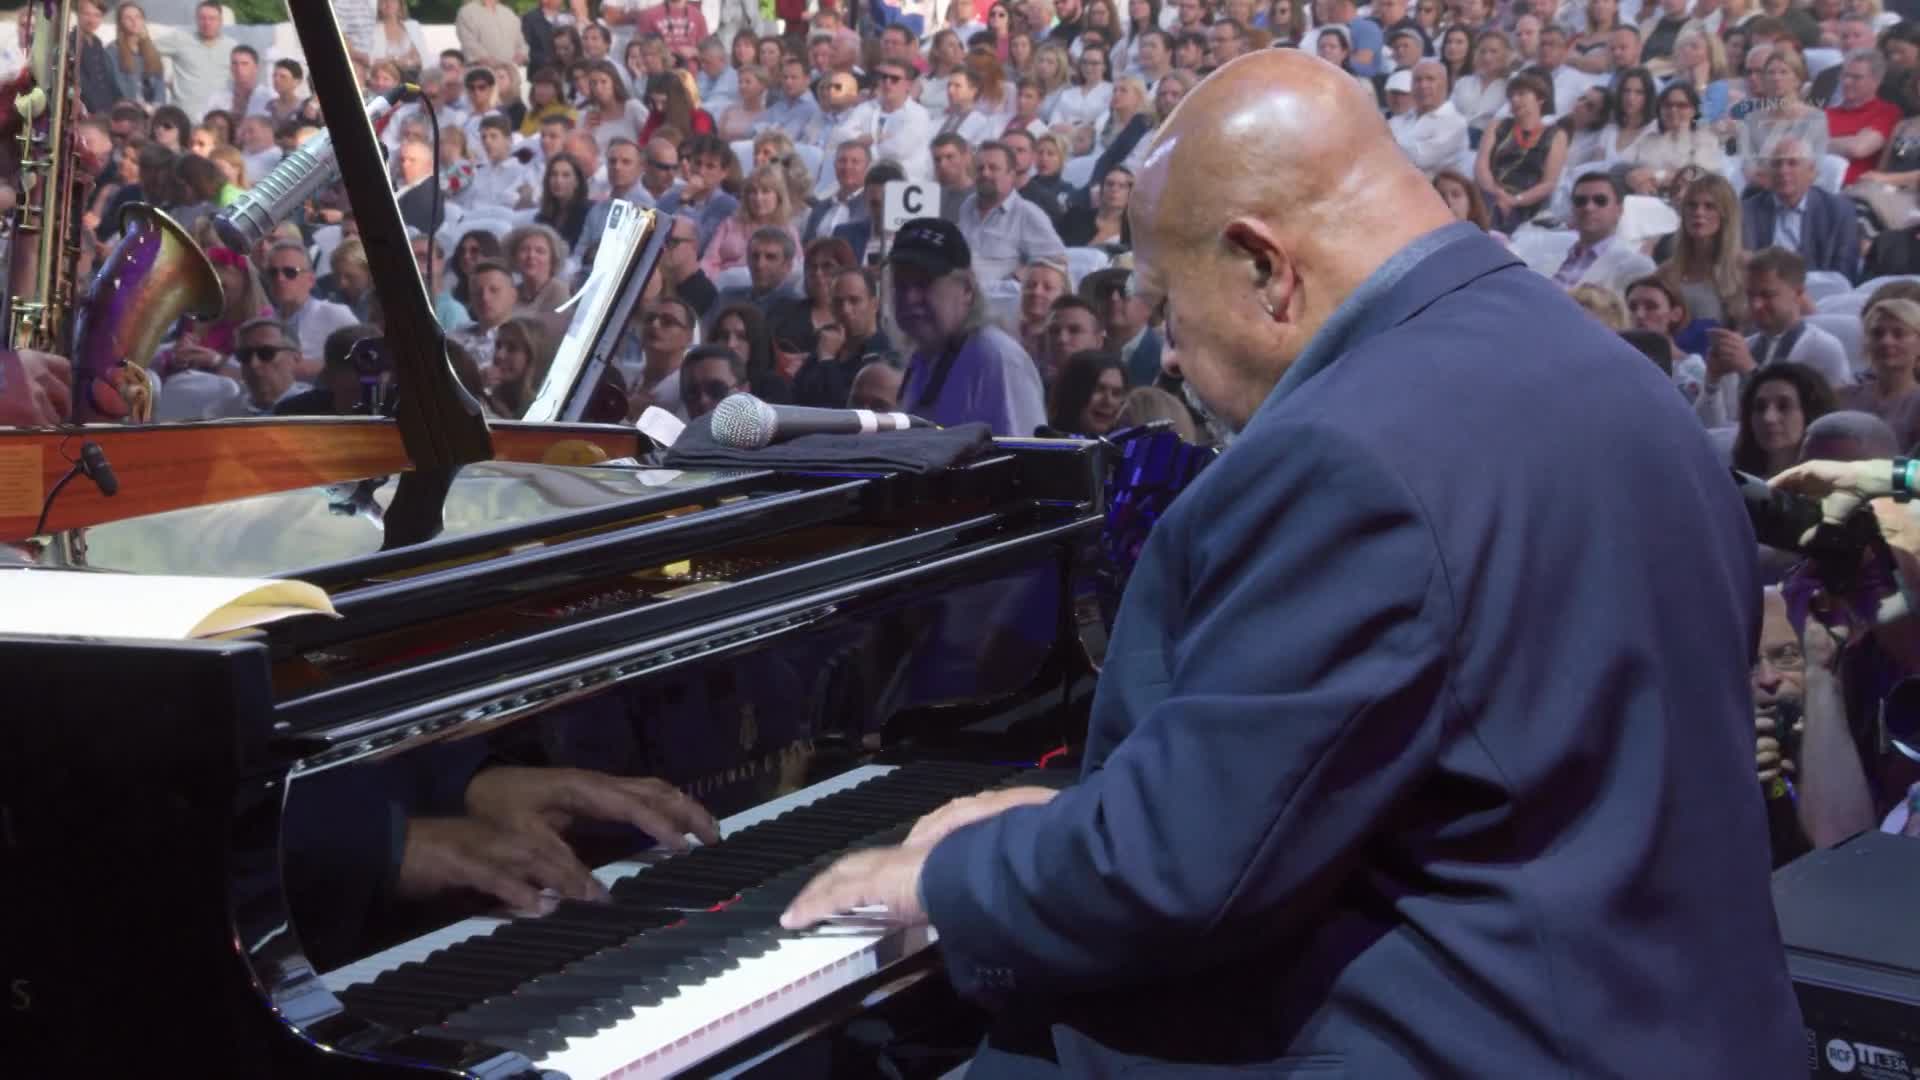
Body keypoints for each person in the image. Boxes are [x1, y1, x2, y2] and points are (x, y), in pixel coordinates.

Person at [781, 50, 1803, 1077]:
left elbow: (1177, 874)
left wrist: (949, 873)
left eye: (1169, 300)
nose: (1170, 354)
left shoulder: (1348, 452)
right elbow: (1412, 777)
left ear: (1265, 267)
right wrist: (1082, 819)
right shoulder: (1608, 377)